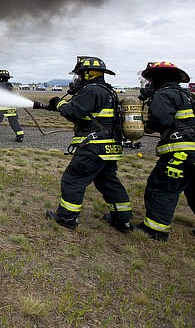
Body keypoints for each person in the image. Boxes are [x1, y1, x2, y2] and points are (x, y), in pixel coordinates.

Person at [34, 56, 133, 231]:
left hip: (93, 147)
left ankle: (67, 218)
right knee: (108, 182)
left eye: (80, 76)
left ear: (88, 74)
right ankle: (122, 219)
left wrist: (59, 102)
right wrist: (52, 106)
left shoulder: (91, 90)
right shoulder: (108, 91)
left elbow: (74, 112)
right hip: (110, 148)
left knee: (73, 180)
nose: (77, 79)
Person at [136, 61, 195, 246]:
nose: (149, 84)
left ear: (157, 80)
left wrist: (146, 126)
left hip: (182, 155)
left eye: (151, 80)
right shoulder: (191, 97)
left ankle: (155, 230)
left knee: (161, 188)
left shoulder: (165, 94)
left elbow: (161, 119)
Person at [0, 70, 24, 143]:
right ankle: (20, 137)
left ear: (0, 78)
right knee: (14, 122)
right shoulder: (12, 86)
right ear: (8, 78)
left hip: (1, 108)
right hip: (11, 108)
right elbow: (17, 96)